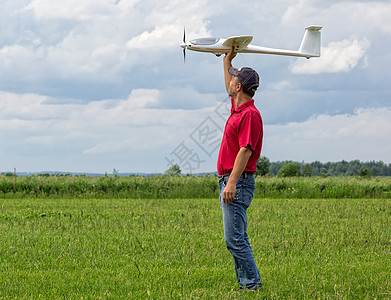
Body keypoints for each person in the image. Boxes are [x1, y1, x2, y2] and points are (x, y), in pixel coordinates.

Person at [217, 47, 263, 291]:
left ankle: (251, 284)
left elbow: (245, 150)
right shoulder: (238, 108)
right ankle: (248, 282)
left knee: (235, 239)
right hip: (231, 179)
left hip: (238, 181)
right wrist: (227, 61)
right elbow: (228, 89)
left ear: (239, 87)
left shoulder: (250, 115)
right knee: (236, 238)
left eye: (234, 76)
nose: (231, 79)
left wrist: (232, 183)